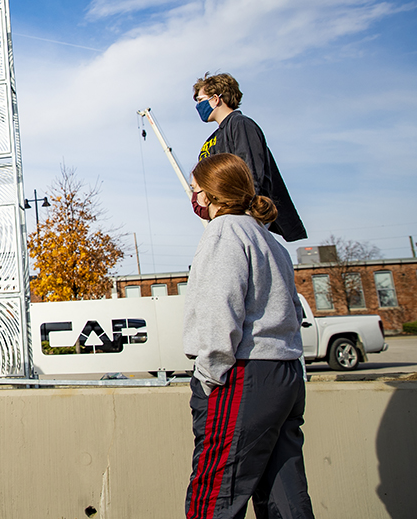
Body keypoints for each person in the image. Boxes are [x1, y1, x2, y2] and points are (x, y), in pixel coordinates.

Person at [184, 153, 314, 519]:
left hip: (243, 374)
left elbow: (219, 309)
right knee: (285, 492)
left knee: (215, 495)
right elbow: (294, 309)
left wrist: (209, 375)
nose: (193, 199)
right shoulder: (270, 240)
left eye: (195, 191)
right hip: (286, 374)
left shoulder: (224, 233)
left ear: (210, 195)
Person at [193, 73, 306, 241]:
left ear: (216, 99)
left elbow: (251, 170)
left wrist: (247, 212)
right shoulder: (212, 139)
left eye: (200, 100)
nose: (197, 106)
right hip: (224, 215)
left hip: (242, 215)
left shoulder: (240, 125)